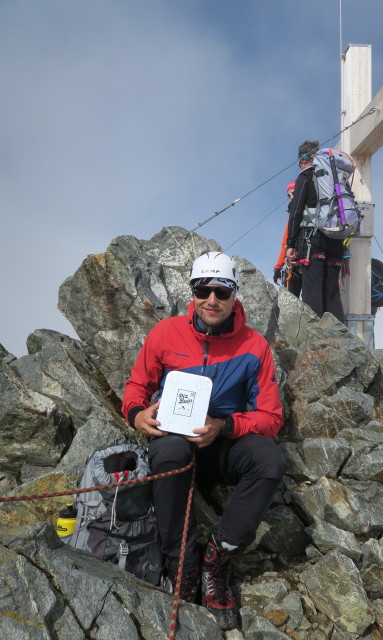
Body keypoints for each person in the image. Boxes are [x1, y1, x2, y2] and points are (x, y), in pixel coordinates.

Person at [122, 252, 286, 630]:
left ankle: (219, 561)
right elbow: (136, 386)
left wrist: (223, 426)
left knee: (271, 461)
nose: (212, 299)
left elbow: (271, 417)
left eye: (221, 291)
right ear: (192, 292)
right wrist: (136, 414)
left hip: (224, 444)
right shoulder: (166, 332)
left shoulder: (254, 346)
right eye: (203, 290)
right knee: (170, 452)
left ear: (234, 295)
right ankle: (183, 565)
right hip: (174, 441)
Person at [285, 140, 345, 322]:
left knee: (312, 292)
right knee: (332, 293)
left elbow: (295, 211)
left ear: (302, 160)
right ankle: (340, 341)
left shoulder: (306, 176)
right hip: (336, 240)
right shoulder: (335, 177)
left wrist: (291, 244)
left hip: (313, 241)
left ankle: (316, 340)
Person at [273, 180, 302, 298]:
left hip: (297, 266)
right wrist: (278, 266)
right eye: (288, 195)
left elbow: (285, 245)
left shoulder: (292, 220)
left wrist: (278, 267)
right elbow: (285, 245)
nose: (291, 197)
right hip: (306, 266)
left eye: (293, 193)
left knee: (291, 300)